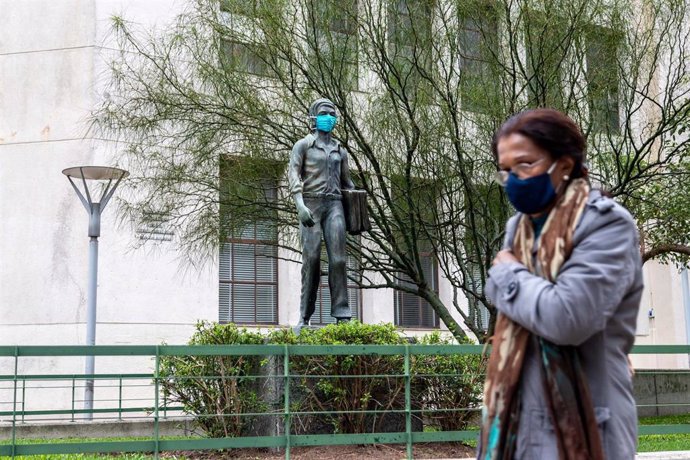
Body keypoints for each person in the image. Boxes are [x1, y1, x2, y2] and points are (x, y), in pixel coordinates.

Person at [479, 108, 643, 459]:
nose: (514, 180)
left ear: (564, 164)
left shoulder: (607, 225)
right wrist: (511, 282)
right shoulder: (518, 228)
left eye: (526, 165)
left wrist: (506, 275)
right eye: (506, 171)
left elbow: (568, 318)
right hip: (516, 419)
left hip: (587, 420)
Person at [288, 98, 355, 333]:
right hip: (311, 205)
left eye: (333, 114)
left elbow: (348, 182)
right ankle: (305, 317)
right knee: (312, 260)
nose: (330, 118)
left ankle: (342, 314)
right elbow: (294, 177)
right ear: (314, 118)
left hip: (334, 205)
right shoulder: (303, 146)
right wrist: (300, 205)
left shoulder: (340, 150)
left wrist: (358, 203)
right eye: (325, 113)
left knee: (338, 260)